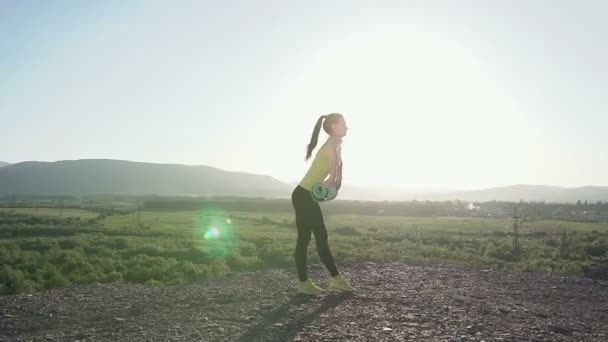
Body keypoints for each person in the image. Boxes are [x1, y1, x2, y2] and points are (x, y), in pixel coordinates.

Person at [291, 113, 356, 295]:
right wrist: (334, 179)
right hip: (303, 196)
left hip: (304, 195)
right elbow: (334, 165)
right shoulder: (331, 145)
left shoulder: (336, 144)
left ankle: (320, 281)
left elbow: (337, 164)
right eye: (344, 123)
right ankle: (331, 280)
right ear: (334, 127)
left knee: (311, 238)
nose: (347, 126)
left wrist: (337, 177)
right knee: (315, 237)